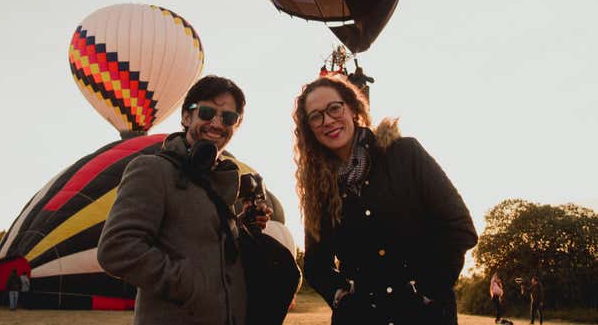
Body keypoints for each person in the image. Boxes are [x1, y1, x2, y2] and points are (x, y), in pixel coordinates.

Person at [293, 75, 477, 325]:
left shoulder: (404, 154)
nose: (328, 121)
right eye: (316, 116)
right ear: (309, 129)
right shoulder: (318, 188)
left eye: (334, 108)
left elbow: (460, 228)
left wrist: (428, 292)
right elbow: (316, 265)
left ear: (352, 107)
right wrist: (341, 298)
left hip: (425, 316)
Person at [97, 75, 271, 325]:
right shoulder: (153, 170)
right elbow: (116, 248)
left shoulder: (220, 182)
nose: (216, 123)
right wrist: (189, 284)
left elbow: (202, 248)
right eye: (207, 112)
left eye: (228, 118)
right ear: (187, 117)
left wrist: (243, 228)